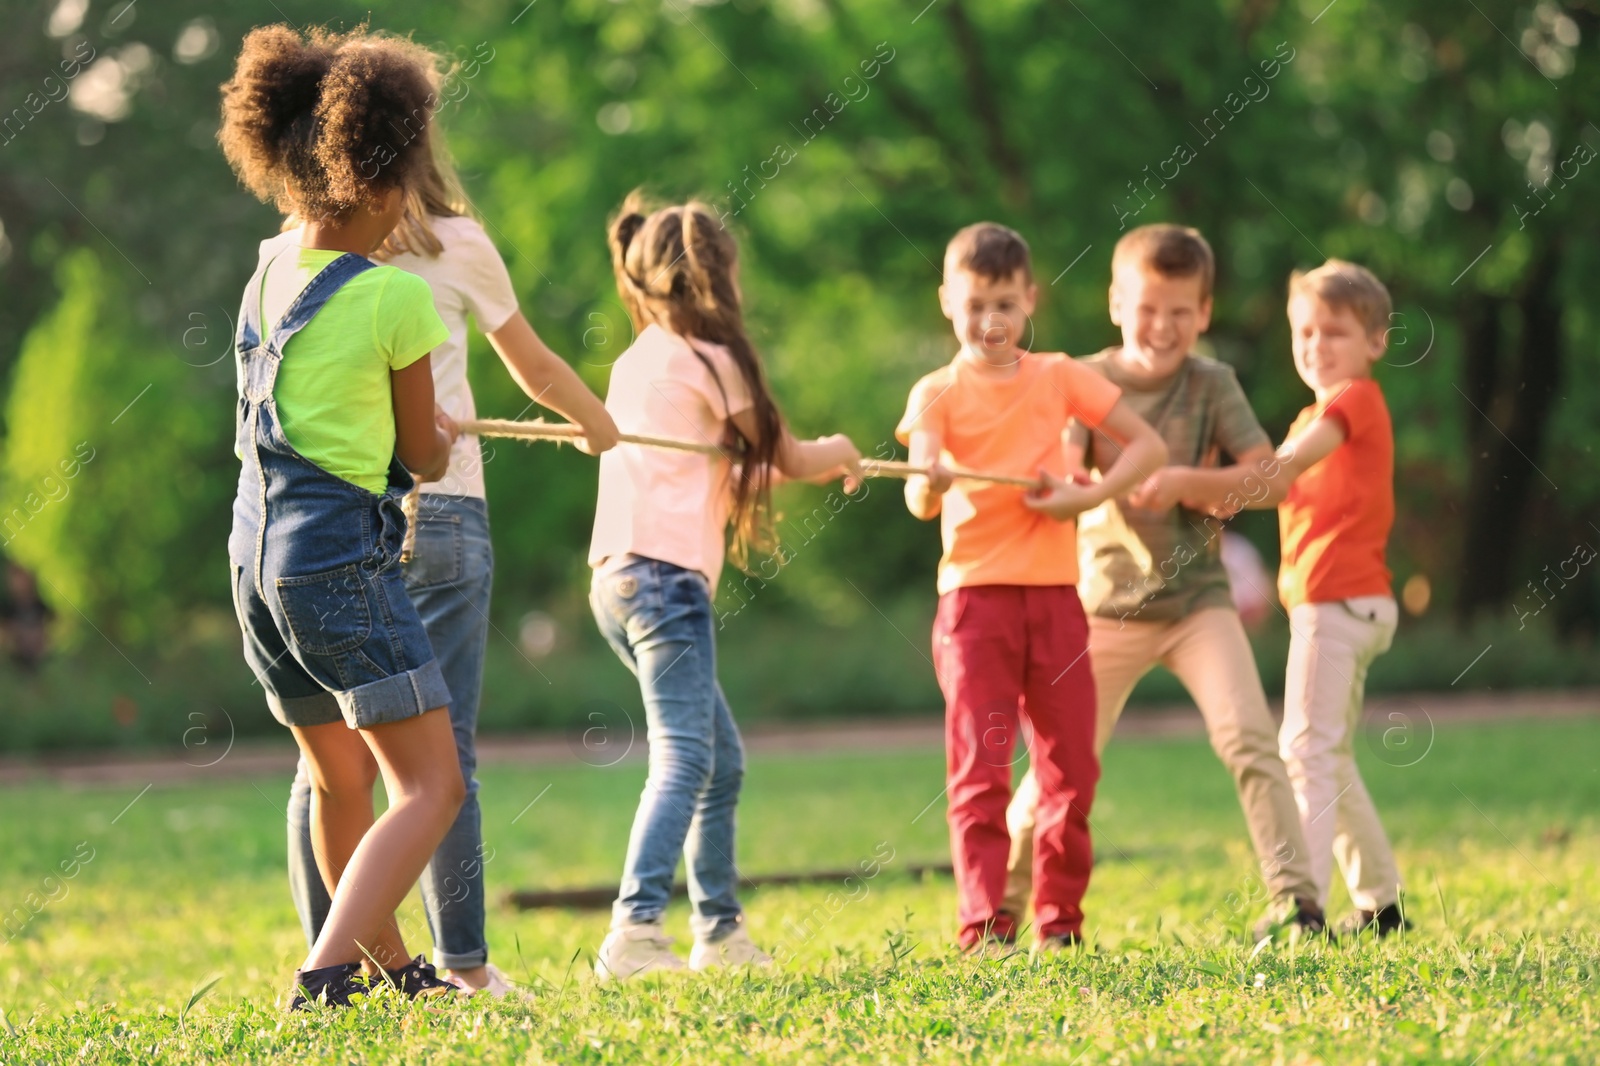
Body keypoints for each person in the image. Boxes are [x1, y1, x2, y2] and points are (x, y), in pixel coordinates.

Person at [266, 147, 620, 994]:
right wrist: (594, 421)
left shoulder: (283, 256)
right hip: (440, 511)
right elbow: (531, 367)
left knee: (330, 766)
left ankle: (342, 955)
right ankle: (459, 964)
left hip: (311, 528)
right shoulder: (457, 243)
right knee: (439, 757)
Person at [220, 24, 468, 1008]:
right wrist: (439, 431)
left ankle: (392, 972)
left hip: (252, 564)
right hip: (334, 569)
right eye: (406, 179)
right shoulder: (397, 300)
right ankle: (325, 973)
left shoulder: (266, 273)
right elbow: (420, 455)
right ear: (374, 186)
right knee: (431, 786)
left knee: (340, 779)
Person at [1001, 224, 1324, 941]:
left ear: (1204, 312)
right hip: (1100, 607)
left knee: (1249, 739)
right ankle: (1000, 915)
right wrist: (1084, 484)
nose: (1163, 326)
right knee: (1060, 769)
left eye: (1181, 311)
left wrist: (1185, 481)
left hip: (1196, 604)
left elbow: (1269, 479)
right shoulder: (1079, 379)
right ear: (1116, 303)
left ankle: (1297, 904)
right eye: (1147, 308)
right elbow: (1057, 472)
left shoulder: (1212, 383)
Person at [587, 193, 863, 979]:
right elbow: (790, 455)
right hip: (664, 579)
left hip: (616, 580)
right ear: (722, 276)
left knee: (722, 759)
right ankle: (635, 929)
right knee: (682, 760)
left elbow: (739, 456)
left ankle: (720, 931)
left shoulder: (639, 359)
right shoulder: (712, 359)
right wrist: (841, 449)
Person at [898, 222, 1167, 953]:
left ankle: (1061, 925)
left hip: (1056, 602)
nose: (991, 322)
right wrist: (931, 478)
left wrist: (1089, 496)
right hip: (974, 606)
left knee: (1069, 771)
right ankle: (985, 926)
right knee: (982, 772)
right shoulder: (936, 392)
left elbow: (1149, 446)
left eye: (1006, 305)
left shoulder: (1058, 376)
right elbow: (919, 497)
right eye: (976, 303)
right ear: (947, 300)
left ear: (1030, 303)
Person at [1155, 259, 1407, 939]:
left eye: (1335, 331)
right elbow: (1266, 486)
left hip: (1339, 602)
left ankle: (1308, 908)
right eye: (1304, 331)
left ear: (1374, 342)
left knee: (1304, 749)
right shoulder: (1307, 415)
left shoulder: (1352, 401)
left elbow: (1286, 468)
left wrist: (1189, 477)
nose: (1316, 344)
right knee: (1328, 751)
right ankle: (1382, 906)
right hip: (1333, 606)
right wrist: (1207, 490)